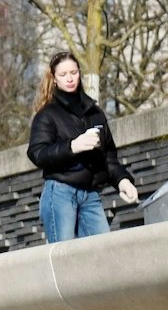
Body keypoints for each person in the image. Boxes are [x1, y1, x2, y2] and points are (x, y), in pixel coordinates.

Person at [27, 51, 138, 242]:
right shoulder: (47, 115)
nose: (70, 78)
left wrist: (122, 180)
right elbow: (37, 153)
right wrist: (72, 147)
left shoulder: (95, 113)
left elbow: (108, 156)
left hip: (90, 194)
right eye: (63, 74)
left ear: (79, 73)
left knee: (103, 251)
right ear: (54, 79)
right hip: (60, 192)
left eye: (74, 72)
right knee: (64, 258)